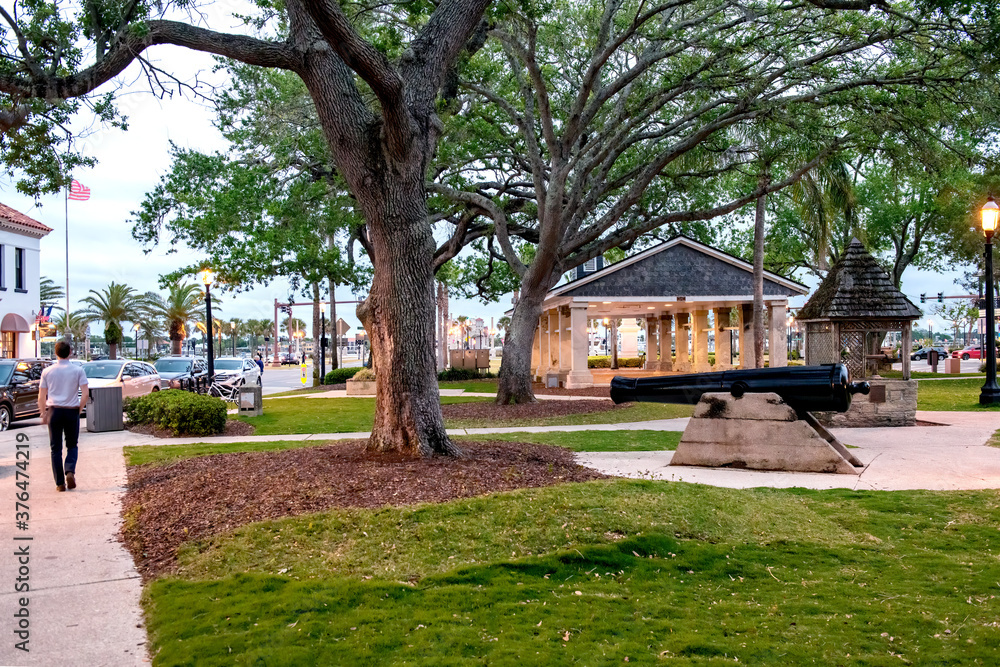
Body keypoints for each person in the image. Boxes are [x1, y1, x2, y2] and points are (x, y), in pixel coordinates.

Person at [38, 340, 89, 492]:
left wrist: (43, 412)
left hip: (54, 410)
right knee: (72, 445)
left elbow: (41, 395)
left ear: (55, 353)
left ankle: (60, 483)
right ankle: (70, 471)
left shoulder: (47, 371)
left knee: (55, 448)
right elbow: (85, 393)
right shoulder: (78, 370)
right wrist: (79, 408)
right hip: (71, 410)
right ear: (70, 352)